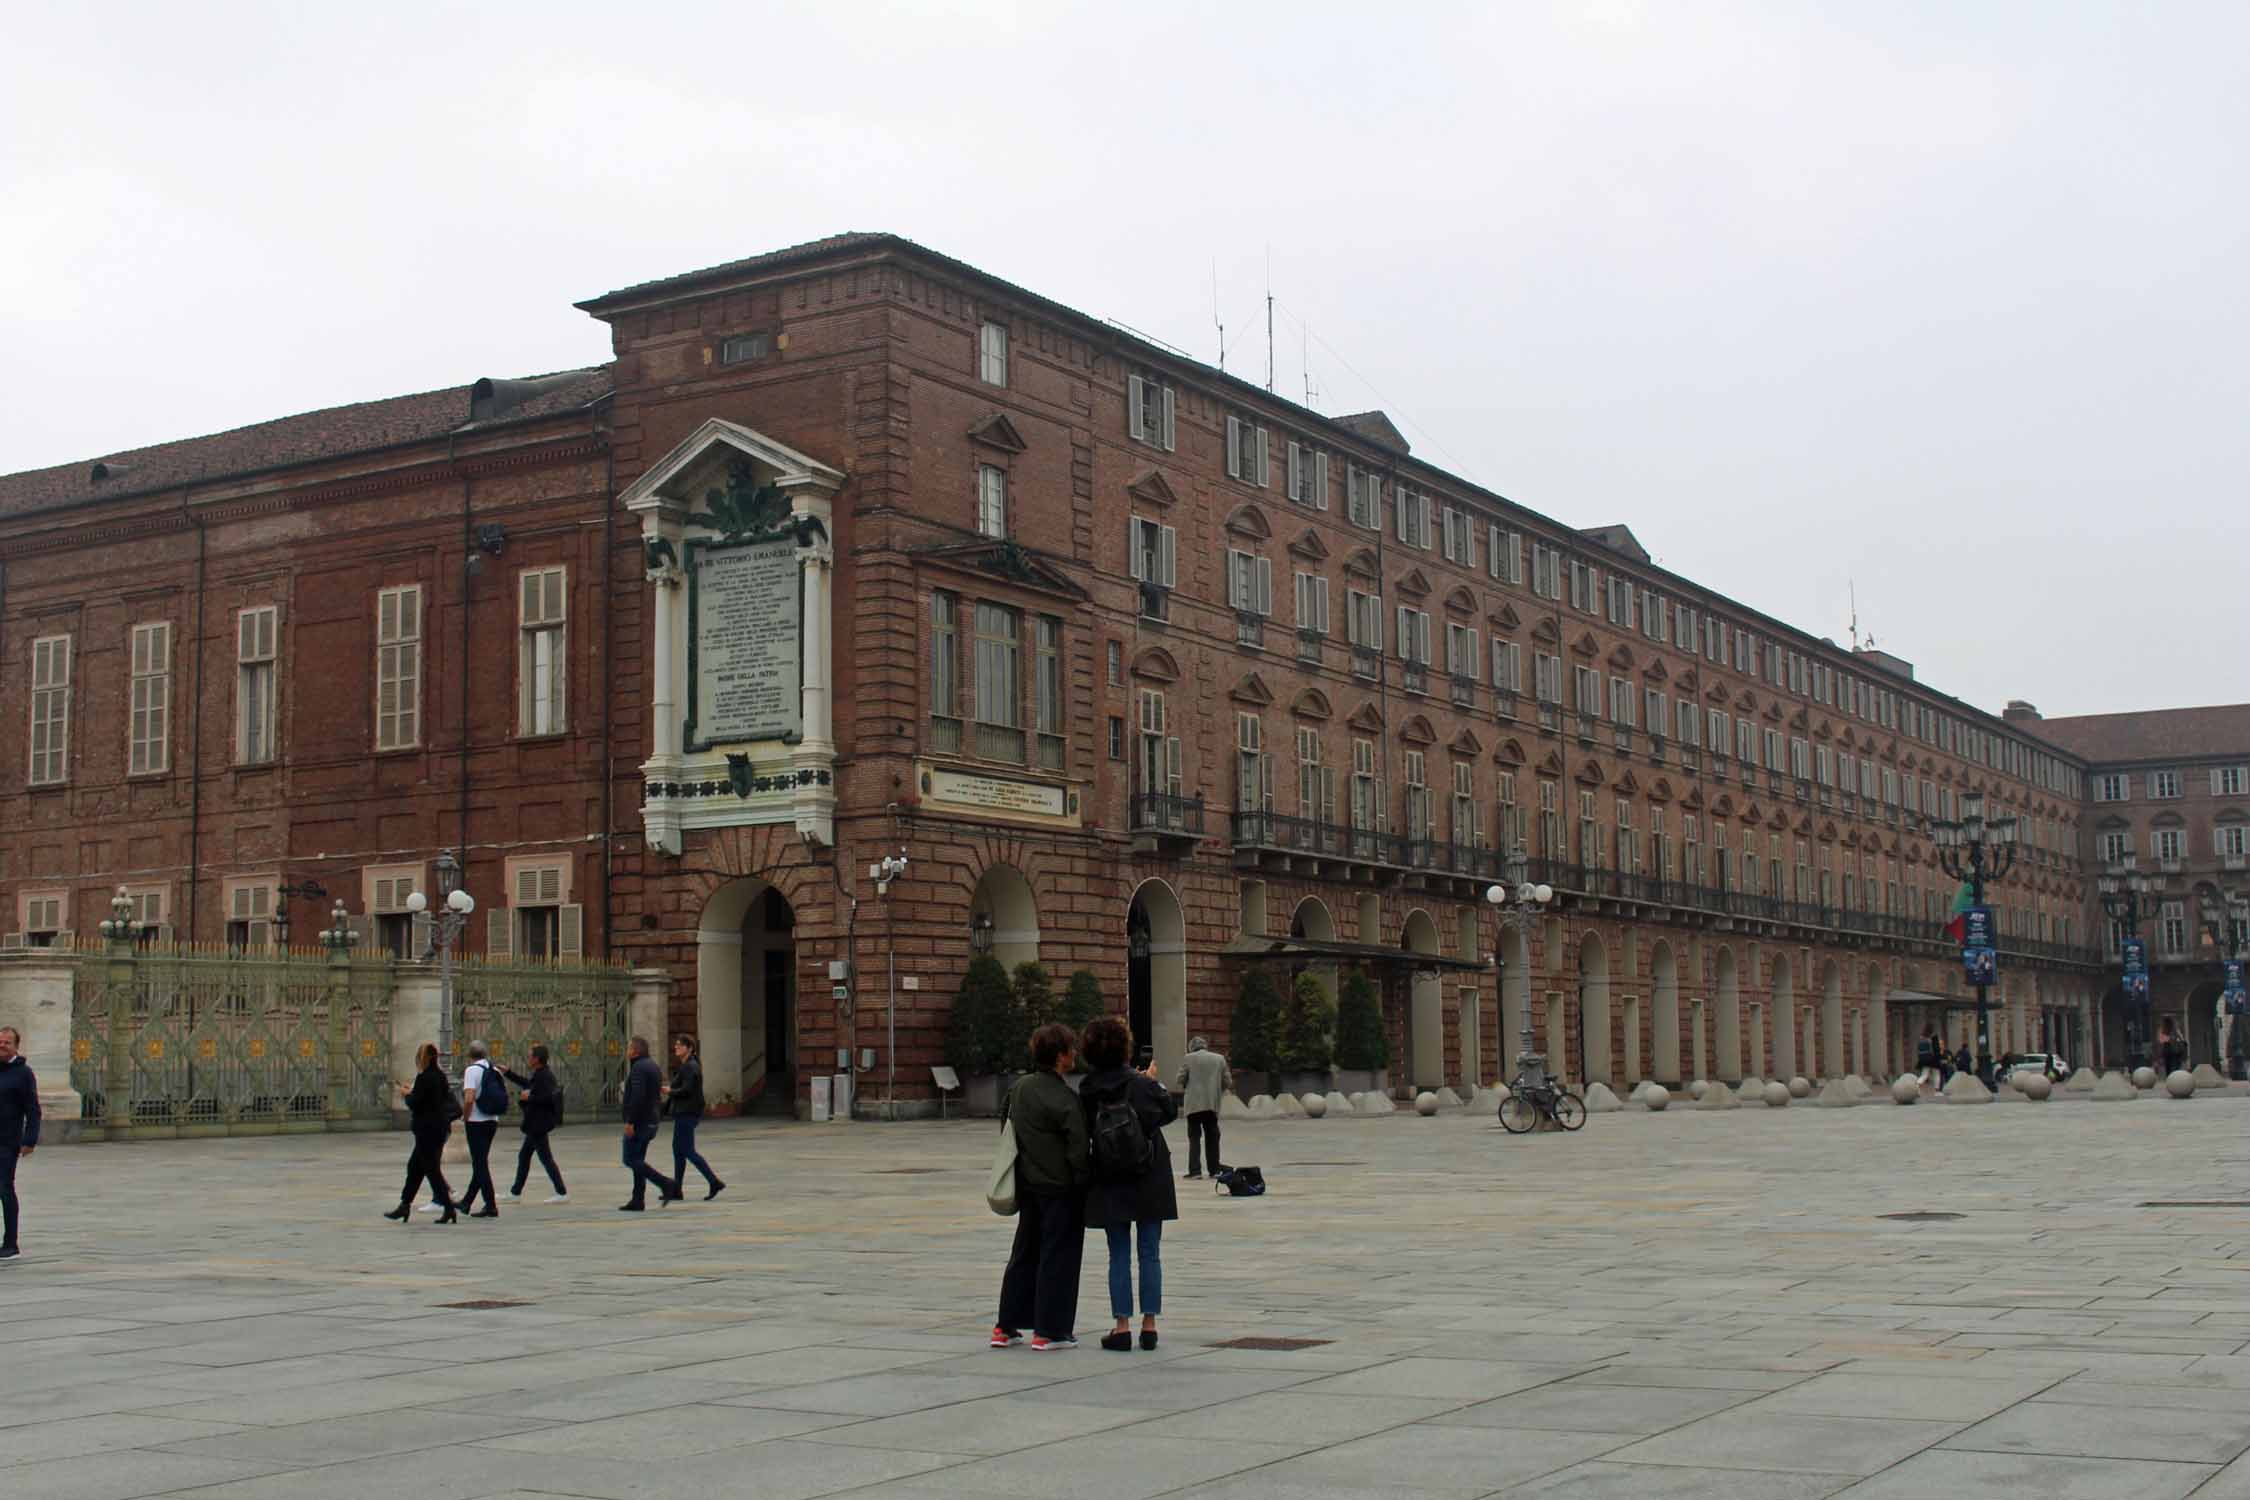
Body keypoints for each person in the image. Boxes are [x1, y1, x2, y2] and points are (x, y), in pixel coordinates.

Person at [1080, 1016, 1177, 1352]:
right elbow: (1168, 1112)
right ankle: (1149, 1325)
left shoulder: (1088, 1088)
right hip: (1149, 1172)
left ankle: (1121, 1326)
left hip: (1109, 1174)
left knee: (1117, 1253)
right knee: (1150, 1252)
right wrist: (1151, 1081)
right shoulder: (1141, 1084)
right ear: (1126, 1047)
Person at [991, 1022, 1090, 1352]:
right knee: (1057, 1257)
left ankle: (1006, 1326)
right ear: (1060, 1057)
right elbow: (1077, 1149)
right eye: (1071, 1050)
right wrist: (1083, 1181)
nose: (1074, 1054)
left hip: (1028, 1185)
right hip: (1060, 1189)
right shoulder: (1065, 1097)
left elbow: (1005, 1121)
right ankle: (1050, 1329)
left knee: (1023, 1253)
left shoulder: (1019, 1088)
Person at [387, 1042, 458, 1225]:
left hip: (427, 1129)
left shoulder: (425, 1077)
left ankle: (448, 1208)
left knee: (431, 1170)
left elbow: (415, 1103)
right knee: (415, 1167)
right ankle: (405, 1205)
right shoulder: (440, 1076)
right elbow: (433, 1100)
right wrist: (414, 1093)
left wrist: (406, 1094)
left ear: (422, 1058)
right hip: (437, 1128)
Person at [620, 1036, 681, 1211]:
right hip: (651, 1119)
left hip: (641, 1121)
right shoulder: (651, 1065)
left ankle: (665, 1183)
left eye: (629, 1047)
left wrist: (631, 1121)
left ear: (636, 1051)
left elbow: (638, 1097)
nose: (627, 1050)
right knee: (638, 1160)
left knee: (630, 1159)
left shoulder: (639, 1068)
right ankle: (637, 1199)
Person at [663, 1034, 725, 1202]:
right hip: (684, 1113)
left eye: (680, 1045)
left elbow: (687, 1090)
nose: (676, 1048)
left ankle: (714, 1182)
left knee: (688, 1151)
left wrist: (670, 1091)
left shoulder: (690, 1067)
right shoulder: (687, 1065)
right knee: (678, 1151)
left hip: (687, 1113)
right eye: (675, 1045)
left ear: (689, 1048)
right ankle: (677, 1189)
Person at [503, 1044, 567, 1203]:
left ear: (537, 1059)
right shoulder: (540, 1074)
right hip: (535, 1124)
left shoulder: (545, 1076)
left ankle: (562, 1192)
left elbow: (547, 1099)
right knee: (524, 1156)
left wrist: (528, 1098)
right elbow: (527, 1084)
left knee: (545, 1158)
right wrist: (508, 1073)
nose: (528, 1058)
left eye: (530, 1056)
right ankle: (515, 1192)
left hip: (538, 1124)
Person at [0, 1026, 40, 1259]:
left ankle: (10, 1243)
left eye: (7, 1042)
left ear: (16, 1046)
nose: (2, 1045)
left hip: (7, 1142)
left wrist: (30, 1139)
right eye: (0, 1042)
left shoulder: (23, 1073)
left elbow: (33, 1110)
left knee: (4, 1188)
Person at [1173, 1036, 1231, 1180]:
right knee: (1212, 1137)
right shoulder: (1219, 1059)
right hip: (1211, 1104)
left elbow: (1180, 1079)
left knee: (1194, 1138)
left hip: (1193, 1105)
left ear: (1191, 1047)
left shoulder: (1188, 1058)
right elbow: (1228, 1082)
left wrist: (1188, 1084)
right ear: (1205, 1046)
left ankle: (1195, 1171)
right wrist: (1217, 1090)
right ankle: (1214, 1170)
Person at [458, 1041, 502, 1218]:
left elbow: (469, 1098)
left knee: (479, 1163)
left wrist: (465, 1117)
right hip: (492, 1119)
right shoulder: (494, 1069)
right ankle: (466, 1202)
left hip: (476, 1121)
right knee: (480, 1161)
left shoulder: (471, 1071)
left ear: (470, 1055)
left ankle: (490, 1204)